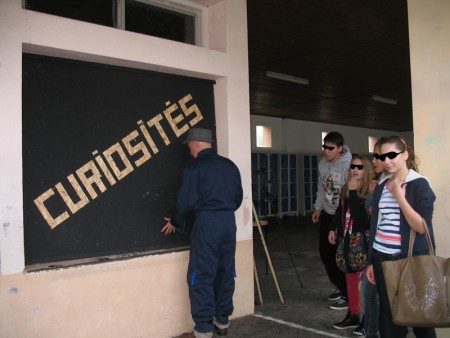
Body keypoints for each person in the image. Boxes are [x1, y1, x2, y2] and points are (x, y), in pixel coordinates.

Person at [161, 128, 243, 338]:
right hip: (227, 222)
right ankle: (222, 320)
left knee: (201, 273)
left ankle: (204, 327)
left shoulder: (194, 168)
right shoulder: (230, 166)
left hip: (207, 223)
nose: (189, 151)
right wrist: (222, 211)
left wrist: (176, 221)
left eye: (190, 146)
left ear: (197, 144)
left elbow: (185, 201)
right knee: (225, 270)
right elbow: (237, 198)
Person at [365, 136, 437, 338]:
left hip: (410, 259)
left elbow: (422, 227)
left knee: (419, 315)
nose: (386, 161)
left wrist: (399, 197)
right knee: (388, 314)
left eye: (391, 155)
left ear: (405, 154)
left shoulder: (419, 184)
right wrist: (372, 260)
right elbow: (376, 225)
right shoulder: (381, 186)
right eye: (382, 156)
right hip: (382, 258)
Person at [328, 155, 372, 330]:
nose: (355, 170)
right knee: (351, 281)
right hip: (348, 242)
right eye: (353, 166)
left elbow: (361, 220)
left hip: (364, 243)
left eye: (360, 167)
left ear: (366, 170)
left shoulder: (370, 192)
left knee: (367, 286)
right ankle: (353, 315)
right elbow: (340, 211)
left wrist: (353, 193)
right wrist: (333, 228)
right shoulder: (347, 188)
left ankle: (367, 321)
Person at [312, 131, 352, 310]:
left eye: (331, 148)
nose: (326, 151)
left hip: (342, 216)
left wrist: (340, 220)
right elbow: (322, 187)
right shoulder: (323, 163)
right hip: (327, 213)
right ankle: (341, 286)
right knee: (325, 253)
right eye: (324, 147)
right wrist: (318, 207)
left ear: (340, 149)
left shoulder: (348, 165)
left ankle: (348, 293)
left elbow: (351, 195)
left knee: (340, 255)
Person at [353, 137, 387, 337]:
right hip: (375, 249)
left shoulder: (399, 183)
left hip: (388, 251)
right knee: (368, 292)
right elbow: (371, 212)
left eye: (377, 156)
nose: (374, 160)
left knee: (386, 300)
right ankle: (370, 331)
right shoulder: (379, 182)